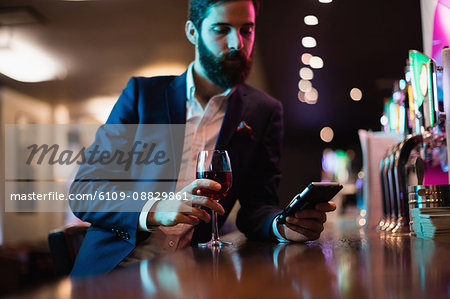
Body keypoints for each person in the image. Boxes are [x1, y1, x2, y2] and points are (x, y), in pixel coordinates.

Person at [69, 0, 336, 277]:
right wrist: (155, 209)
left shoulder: (265, 112)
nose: (237, 43)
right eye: (222, 29)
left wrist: (282, 226)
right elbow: (85, 191)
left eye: (247, 30)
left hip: (191, 272)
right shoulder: (142, 96)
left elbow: (257, 206)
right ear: (193, 32)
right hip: (112, 271)